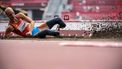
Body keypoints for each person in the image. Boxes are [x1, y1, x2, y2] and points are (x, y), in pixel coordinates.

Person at [1, 7, 66, 38]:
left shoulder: (20, 15)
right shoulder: (10, 26)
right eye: (10, 15)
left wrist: (30, 31)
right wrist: (8, 35)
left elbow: (32, 21)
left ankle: (59, 27)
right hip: (34, 35)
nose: (12, 16)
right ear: (7, 15)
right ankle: (56, 32)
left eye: (12, 13)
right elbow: (5, 36)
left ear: (13, 11)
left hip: (37, 29)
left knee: (58, 20)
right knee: (47, 31)